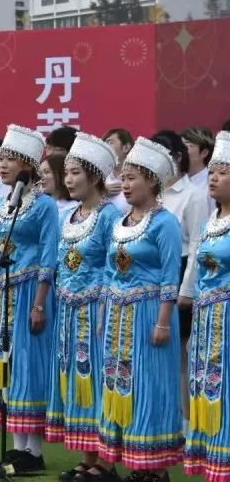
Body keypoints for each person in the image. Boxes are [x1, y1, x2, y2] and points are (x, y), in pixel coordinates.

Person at [99, 137, 183, 481]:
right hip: (117, 316)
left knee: (150, 383)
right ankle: (134, 462)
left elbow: (170, 277)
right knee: (120, 384)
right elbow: (109, 272)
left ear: (152, 181)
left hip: (149, 315)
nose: (126, 184)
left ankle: (155, 467)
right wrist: (104, 313)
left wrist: (163, 323)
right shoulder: (120, 221)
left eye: (133, 178)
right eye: (124, 177)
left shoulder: (165, 223)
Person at [0, 124, 58, 475]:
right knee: (7, 365)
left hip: (29, 292)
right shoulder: (2, 205)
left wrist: (40, 303)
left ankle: (34, 450)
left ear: (27, 165)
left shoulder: (45, 206)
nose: (3, 164)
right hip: (3, 292)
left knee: (29, 365)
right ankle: (16, 446)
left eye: (11, 159)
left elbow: (49, 255)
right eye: (1, 158)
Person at [45, 133, 121, 480]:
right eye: (67, 173)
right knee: (77, 379)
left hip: (97, 312)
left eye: (76, 172)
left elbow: (114, 265)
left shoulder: (110, 216)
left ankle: (106, 461)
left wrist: (103, 304)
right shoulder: (71, 215)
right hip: (69, 310)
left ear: (94, 176)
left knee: (97, 380)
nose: (69, 179)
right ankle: (88, 456)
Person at [152, 130, 210, 437]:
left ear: (176, 158)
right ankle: (163, 419)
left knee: (183, 354)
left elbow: (198, 244)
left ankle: (186, 427)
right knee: (157, 353)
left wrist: (185, 290)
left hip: (182, 271)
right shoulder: (152, 194)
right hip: (152, 276)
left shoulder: (193, 195)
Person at [185, 131, 230, 481]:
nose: (213, 178)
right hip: (206, 320)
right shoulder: (210, 221)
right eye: (211, 171)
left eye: (222, 172)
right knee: (208, 387)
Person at [183, 127, 216, 215]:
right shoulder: (174, 180)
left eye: (187, 146)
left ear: (204, 153)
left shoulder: (212, 183)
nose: (181, 151)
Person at [103, 129, 133, 213]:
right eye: (104, 144)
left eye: (110, 142)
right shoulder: (100, 179)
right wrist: (101, 192)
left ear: (126, 147)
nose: (105, 147)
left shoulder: (139, 178)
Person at [40, 152, 78, 218]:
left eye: (47, 172)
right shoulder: (41, 205)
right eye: (40, 173)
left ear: (63, 175)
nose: (41, 177)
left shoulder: (73, 208)